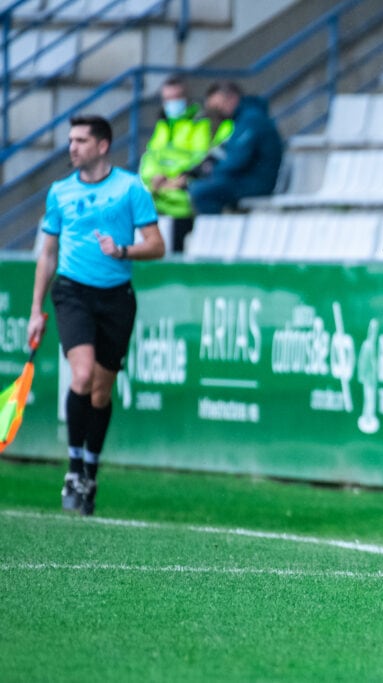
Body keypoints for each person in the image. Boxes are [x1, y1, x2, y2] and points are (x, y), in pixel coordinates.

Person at [27, 115, 165, 516]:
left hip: (116, 298)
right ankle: (73, 471)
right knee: (82, 376)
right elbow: (48, 253)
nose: (72, 147)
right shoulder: (59, 192)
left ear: (102, 146)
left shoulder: (130, 188)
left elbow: (156, 246)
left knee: (101, 392)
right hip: (72, 293)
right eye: (70, 140)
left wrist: (122, 250)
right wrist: (36, 310)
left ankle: (91, 469)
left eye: (81, 140)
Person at [138, 75, 233, 252]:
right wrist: (153, 178)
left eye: (176, 98)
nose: (171, 103)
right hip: (159, 195)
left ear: (187, 98)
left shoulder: (204, 123)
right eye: (167, 99)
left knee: (175, 252)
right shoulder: (164, 125)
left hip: (184, 194)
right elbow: (150, 158)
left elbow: (204, 158)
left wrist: (172, 178)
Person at [188, 81, 283, 214]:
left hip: (257, 182)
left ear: (232, 98)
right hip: (246, 179)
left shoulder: (251, 119)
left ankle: (218, 233)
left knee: (201, 192)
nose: (217, 111)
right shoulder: (243, 119)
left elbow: (236, 161)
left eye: (218, 106)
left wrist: (210, 172)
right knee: (199, 188)